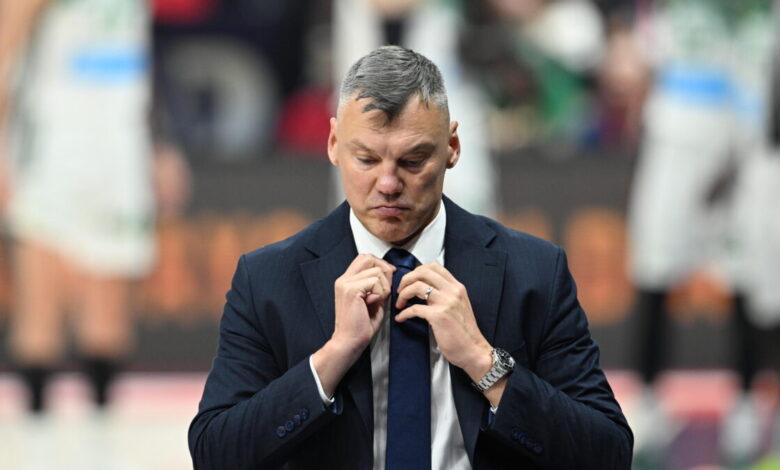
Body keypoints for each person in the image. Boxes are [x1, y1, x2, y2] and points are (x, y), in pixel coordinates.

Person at [189, 45, 632, 469]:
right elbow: (215, 454)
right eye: (366, 159)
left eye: (413, 161)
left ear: (452, 147)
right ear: (333, 143)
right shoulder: (267, 279)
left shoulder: (534, 272)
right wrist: (333, 357)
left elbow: (608, 454)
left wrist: (484, 362)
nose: (388, 184)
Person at [0, 0, 189, 413]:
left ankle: (101, 435)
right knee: (40, 316)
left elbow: (138, 60)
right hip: (49, 149)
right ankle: (36, 435)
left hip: (120, 146)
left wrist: (161, 143)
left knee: (108, 322)